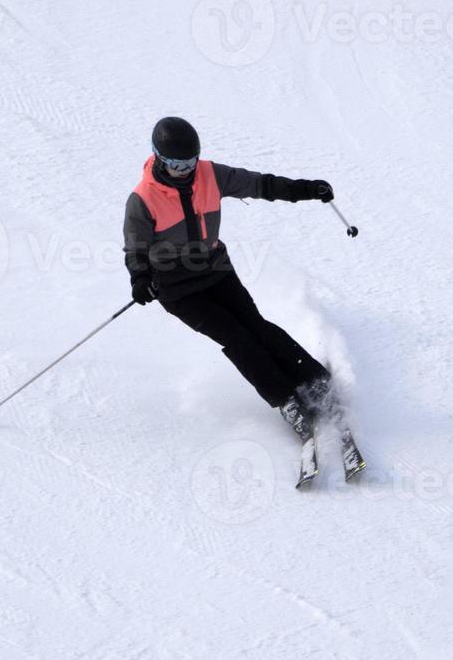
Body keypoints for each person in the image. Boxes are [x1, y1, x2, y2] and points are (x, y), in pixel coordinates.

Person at [122, 116, 337, 440]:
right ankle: (286, 400)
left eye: (190, 162)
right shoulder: (142, 199)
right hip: (178, 289)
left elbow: (259, 184)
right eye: (177, 165)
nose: (186, 171)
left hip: (216, 270)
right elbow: (135, 249)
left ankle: (314, 382)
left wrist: (304, 189)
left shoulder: (210, 174)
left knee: (256, 326)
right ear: (159, 158)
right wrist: (140, 279)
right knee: (237, 339)